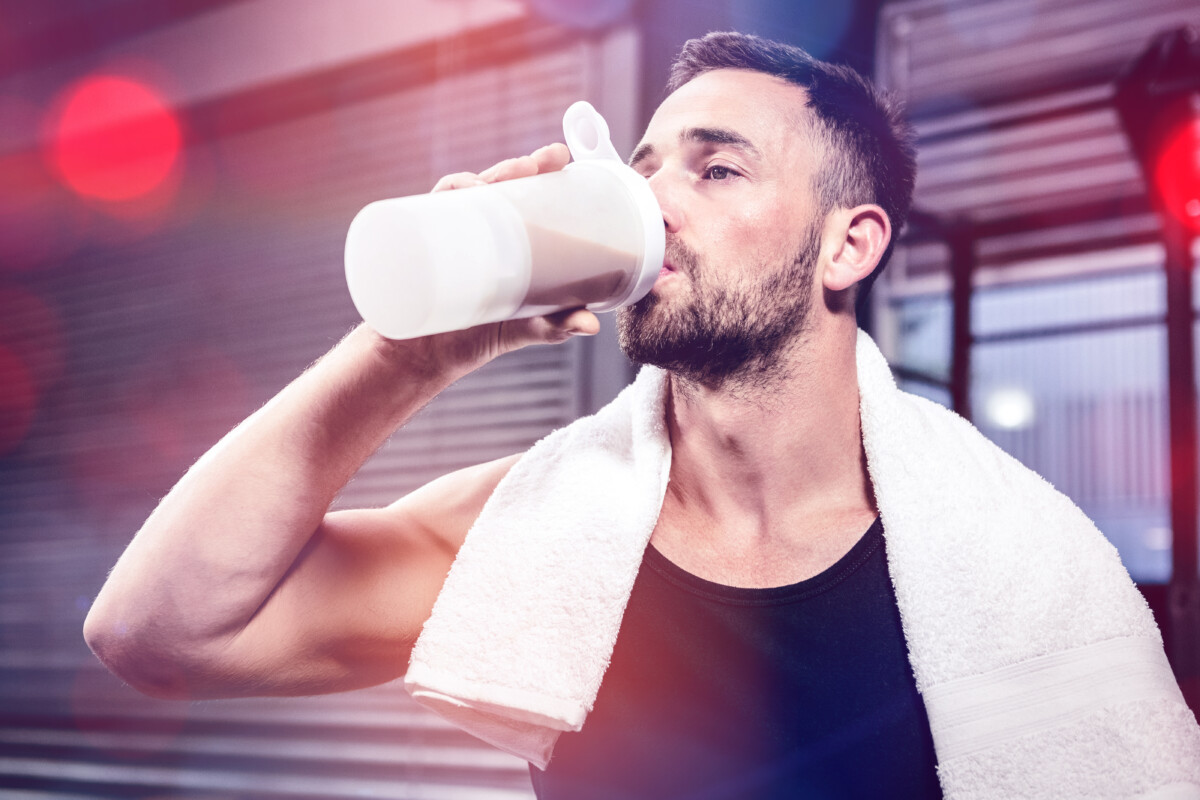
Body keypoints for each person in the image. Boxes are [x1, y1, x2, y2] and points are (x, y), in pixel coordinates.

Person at [83, 32, 1190, 800]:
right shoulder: (538, 527)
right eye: (645, 167)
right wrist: (408, 348)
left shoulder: (1013, 556)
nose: (656, 203)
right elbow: (158, 633)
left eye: (717, 169)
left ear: (848, 245)